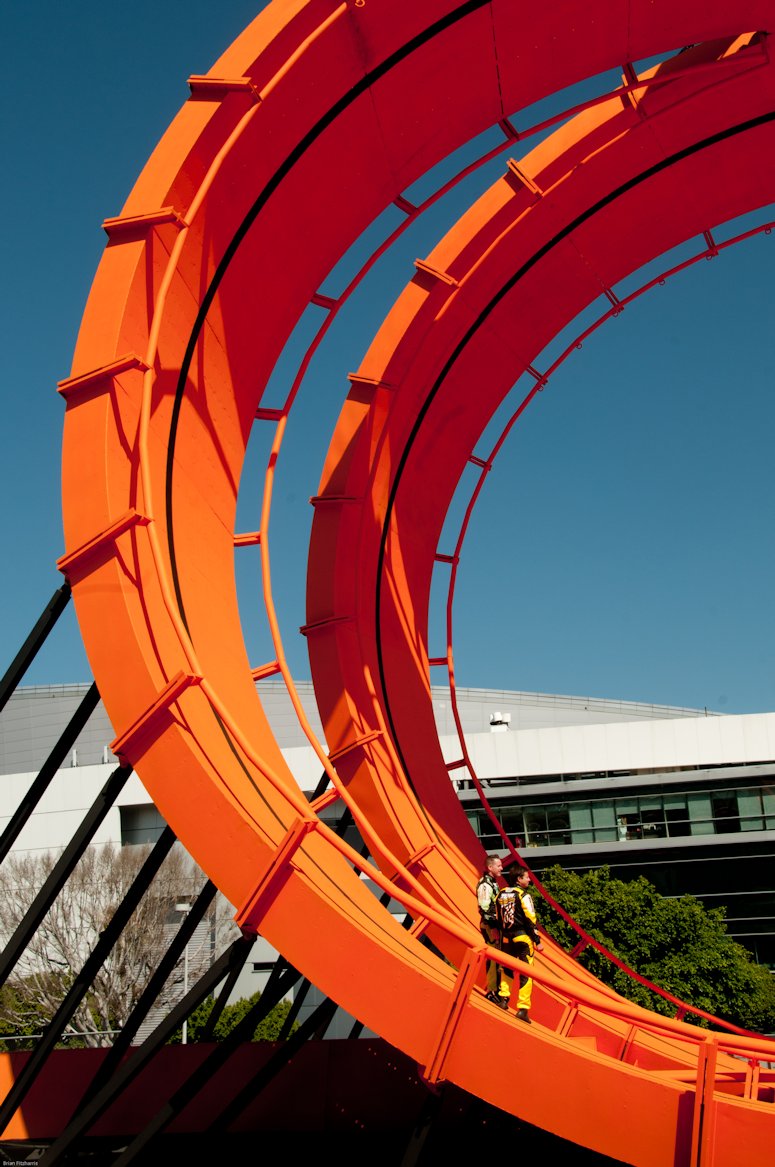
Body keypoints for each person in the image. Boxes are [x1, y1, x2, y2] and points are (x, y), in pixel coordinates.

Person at [497, 867, 544, 1023]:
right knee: (526, 973)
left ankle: (504, 999)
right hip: (522, 937)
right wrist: (537, 941)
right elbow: (531, 919)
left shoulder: (501, 893)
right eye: (526, 877)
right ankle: (522, 1009)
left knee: (507, 968)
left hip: (505, 938)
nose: (529, 880)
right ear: (518, 879)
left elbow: (498, 916)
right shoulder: (524, 895)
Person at [476, 854, 509, 1009]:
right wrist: (496, 926)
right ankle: (492, 991)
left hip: (496, 926)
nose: (501, 868)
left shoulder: (493, 883)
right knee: (493, 958)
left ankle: (495, 990)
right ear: (490, 867)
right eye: (499, 866)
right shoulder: (485, 885)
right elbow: (484, 909)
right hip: (490, 927)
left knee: (497, 957)